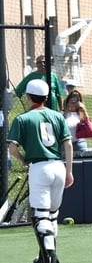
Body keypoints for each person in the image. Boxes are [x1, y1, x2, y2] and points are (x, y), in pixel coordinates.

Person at [7, 79, 74, 263]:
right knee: (52, 215)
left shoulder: (23, 119)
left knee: (40, 216)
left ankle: (51, 258)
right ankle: (44, 257)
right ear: (46, 97)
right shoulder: (57, 116)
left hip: (39, 168)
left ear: (28, 97)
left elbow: (12, 148)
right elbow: (67, 143)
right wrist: (69, 171)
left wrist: (24, 160)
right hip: (58, 167)